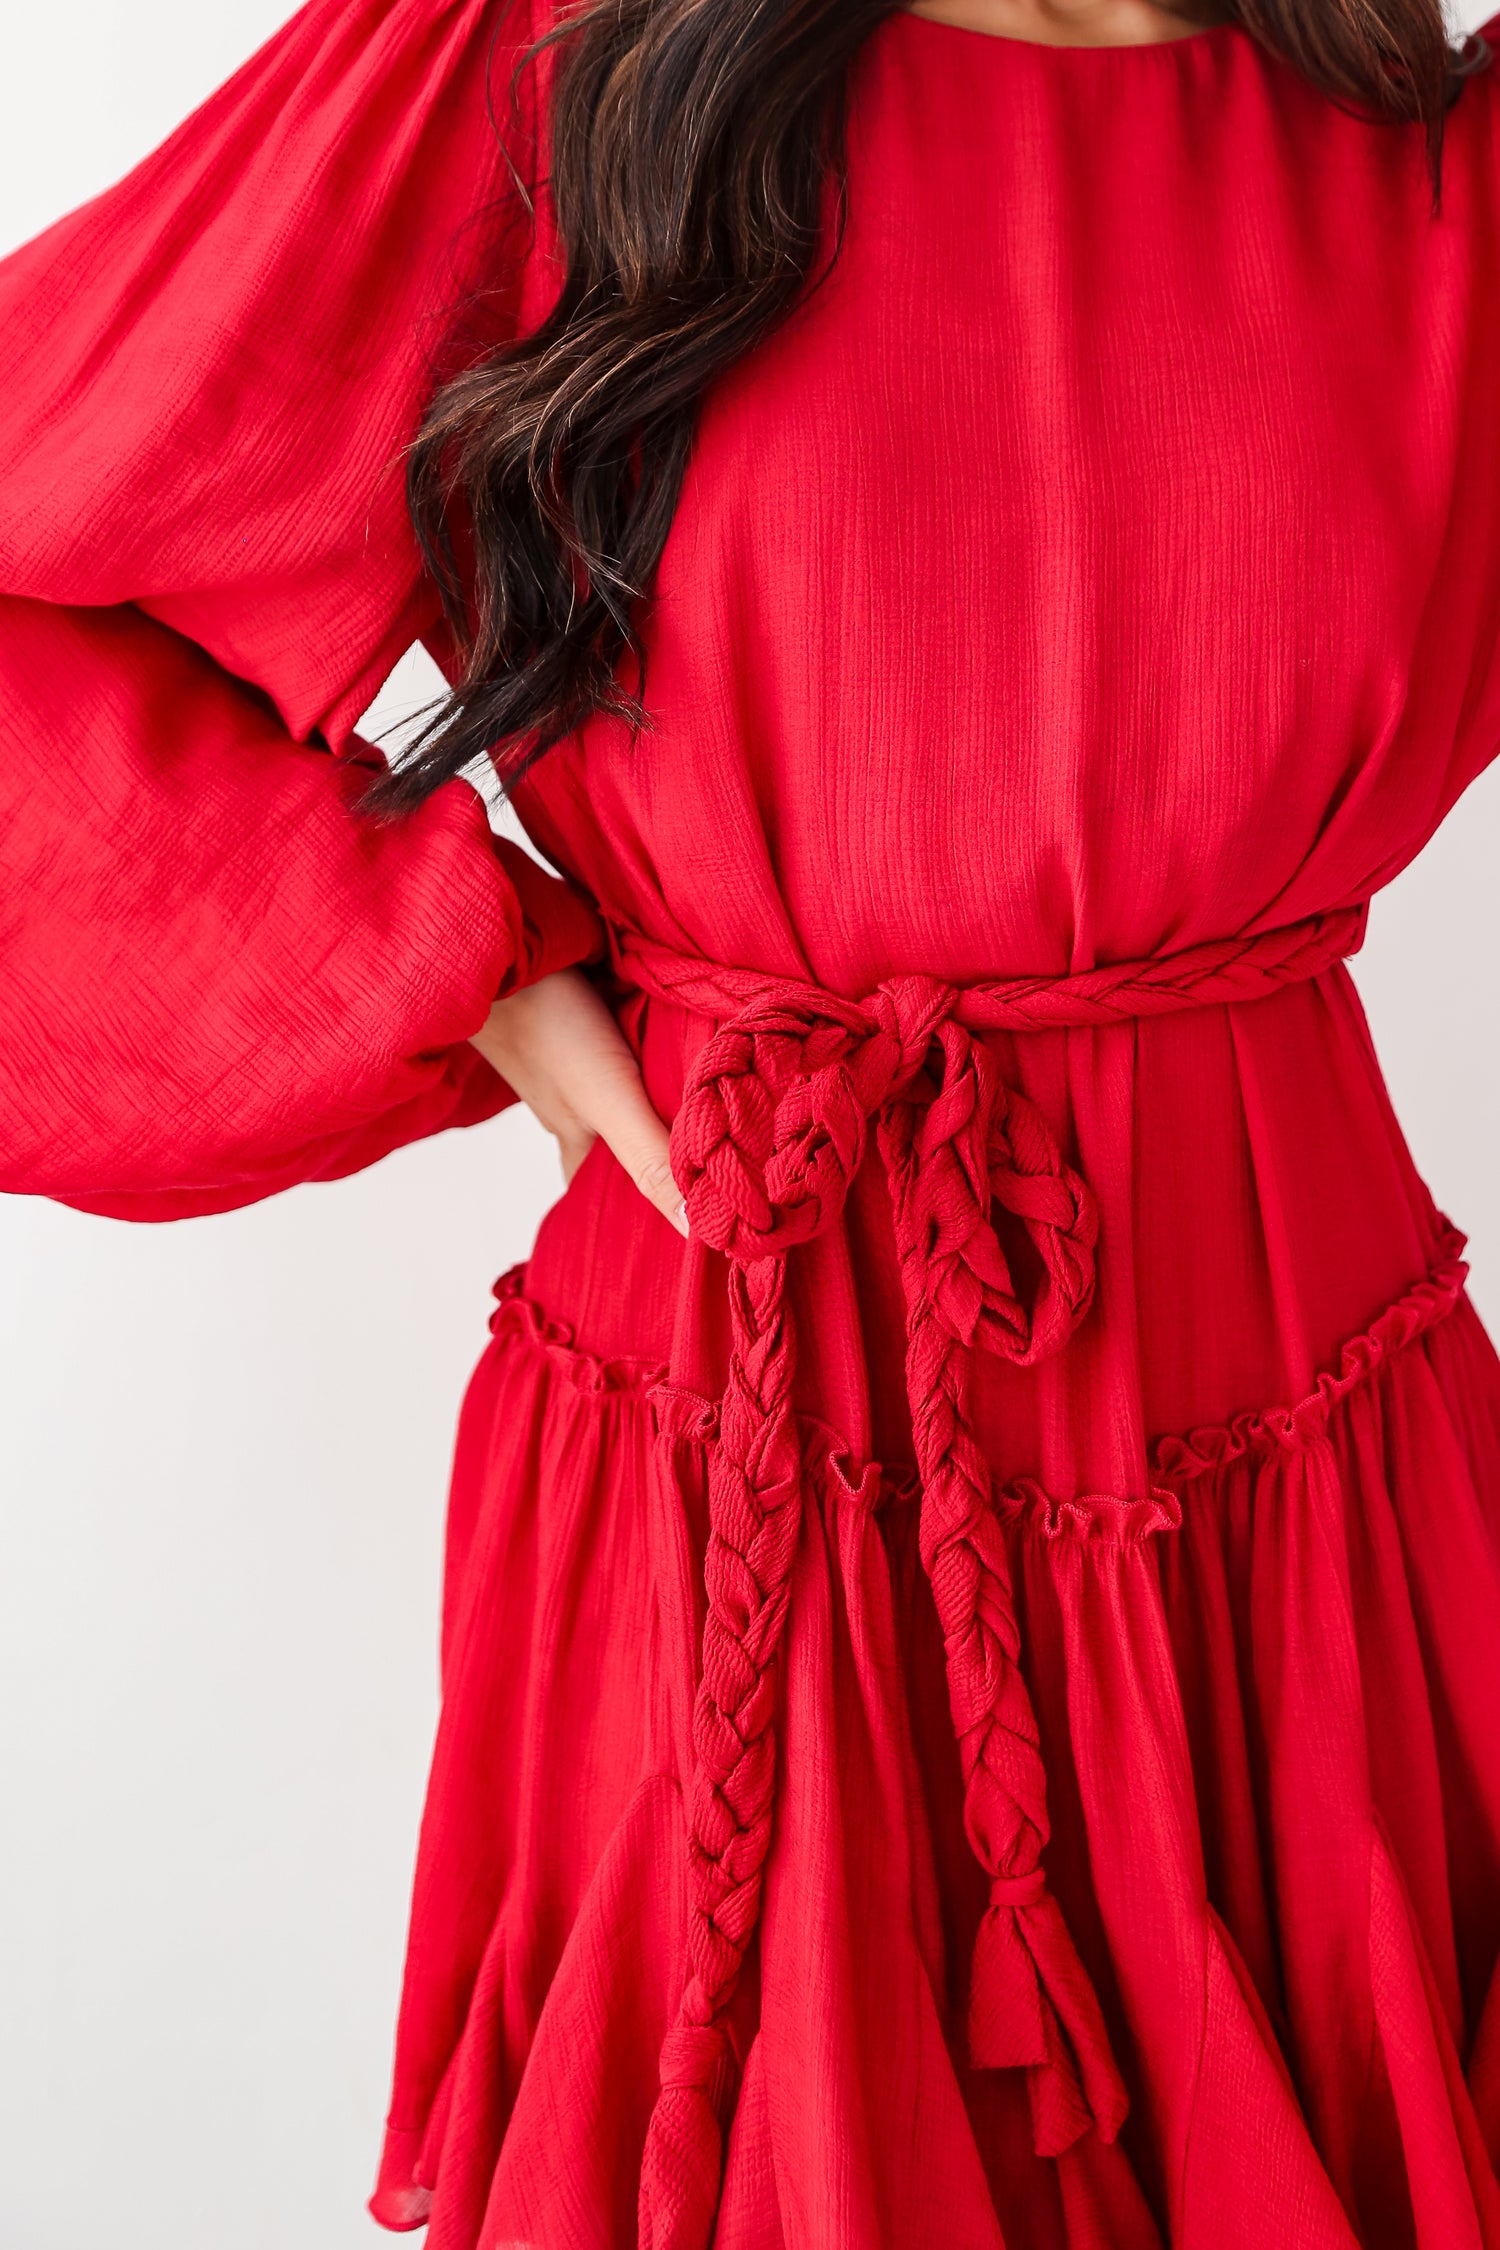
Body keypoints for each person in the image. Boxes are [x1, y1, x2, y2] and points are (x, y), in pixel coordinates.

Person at [3, 0, 1500, 2239]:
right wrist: (470, 977)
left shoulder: (1434, 169)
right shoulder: (543, 61)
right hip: (739, 1439)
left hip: (1301, 1493)